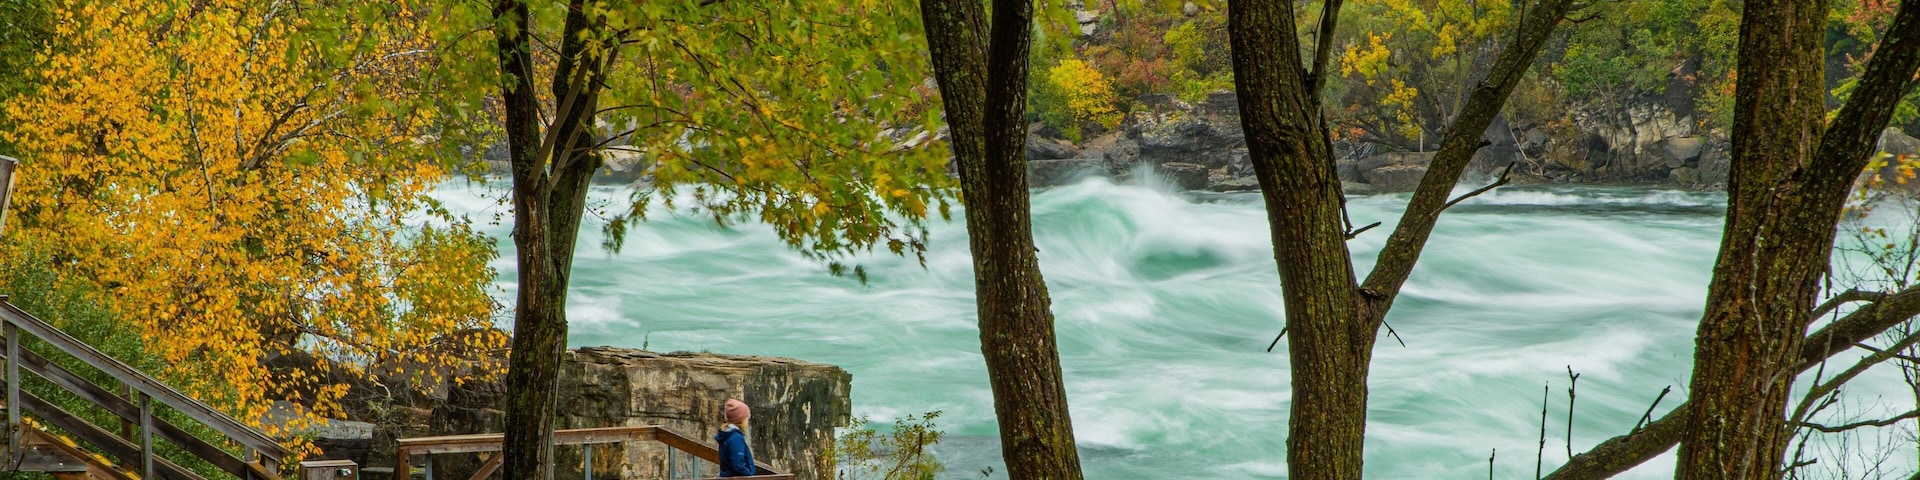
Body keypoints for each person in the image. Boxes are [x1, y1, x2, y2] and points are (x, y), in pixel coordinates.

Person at [716, 398, 756, 477]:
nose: (747, 420)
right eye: (747, 417)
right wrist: (749, 475)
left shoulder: (727, 435)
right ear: (741, 420)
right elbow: (737, 464)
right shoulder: (736, 438)